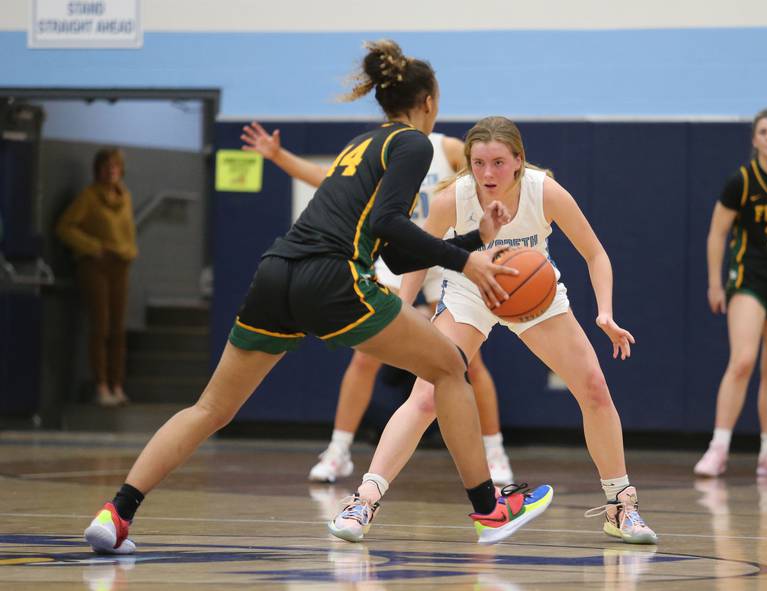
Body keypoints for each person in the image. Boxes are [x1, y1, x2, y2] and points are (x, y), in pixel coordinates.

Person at [82, 40, 553, 555]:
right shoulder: (415, 144)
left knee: (211, 407)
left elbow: (394, 254)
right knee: (448, 368)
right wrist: (466, 260)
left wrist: (471, 241)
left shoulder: (361, 144)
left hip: (277, 273)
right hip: (331, 277)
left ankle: (117, 513)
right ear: (430, 101)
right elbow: (388, 223)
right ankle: (489, 509)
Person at [329, 116, 658, 545]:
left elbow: (596, 254)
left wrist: (605, 313)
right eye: (479, 162)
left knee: (594, 387)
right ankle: (363, 501)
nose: (488, 173)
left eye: (499, 162)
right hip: (469, 292)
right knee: (426, 395)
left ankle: (621, 506)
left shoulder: (546, 192)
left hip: (532, 293)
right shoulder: (454, 198)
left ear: (519, 161)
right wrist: (402, 311)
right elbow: (415, 257)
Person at [240, 123, 515, 485]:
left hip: (446, 250)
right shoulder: (381, 149)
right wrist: (278, 156)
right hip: (395, 255)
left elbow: (490, 168)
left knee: (468, 361)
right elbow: (326, 177)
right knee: (365, 356)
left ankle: (494, 452)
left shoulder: (444, 148)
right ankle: (338, 451)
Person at [694, 108, 767, 478]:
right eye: (763, 132)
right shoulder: (741, 181)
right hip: (748, 280)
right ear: (755, 141)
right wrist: (714, 283)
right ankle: (718, 448)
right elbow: (717, 233)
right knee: (742, 361)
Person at [57, 148, 137, 407]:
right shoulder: (89, 197)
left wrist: (130, 251)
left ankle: (117, 385)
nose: (111, 170)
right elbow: (65, 227)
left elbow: (128, 232)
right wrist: (93, 247)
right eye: (106, 166)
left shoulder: (125, 197)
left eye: (115, 165)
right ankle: (101, 386)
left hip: (121, 265)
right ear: (98, 169)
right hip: (96, 266)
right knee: (101, 327)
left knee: (118, 329)